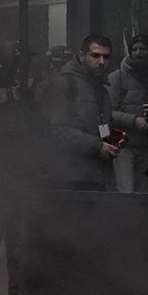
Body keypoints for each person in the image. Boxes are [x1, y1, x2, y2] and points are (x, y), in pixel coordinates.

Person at [39, 34, 118, 190]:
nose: (101, 62)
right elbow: (57, 131)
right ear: (82, 56)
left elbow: (100, 126)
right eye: (95, 56)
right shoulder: (64, 85)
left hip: (97, 176)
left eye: (106, 57)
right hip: (67, 177)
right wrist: (97, 146)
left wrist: (109, 142)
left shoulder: (101, 90)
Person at [106, 34, 148, 193]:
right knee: (126, 191)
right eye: (134, 49)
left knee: (145, 193)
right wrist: (134, 120)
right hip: (123, 146)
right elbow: (107, 112)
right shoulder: (117, 78)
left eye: (143, 49)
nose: (138, 53)